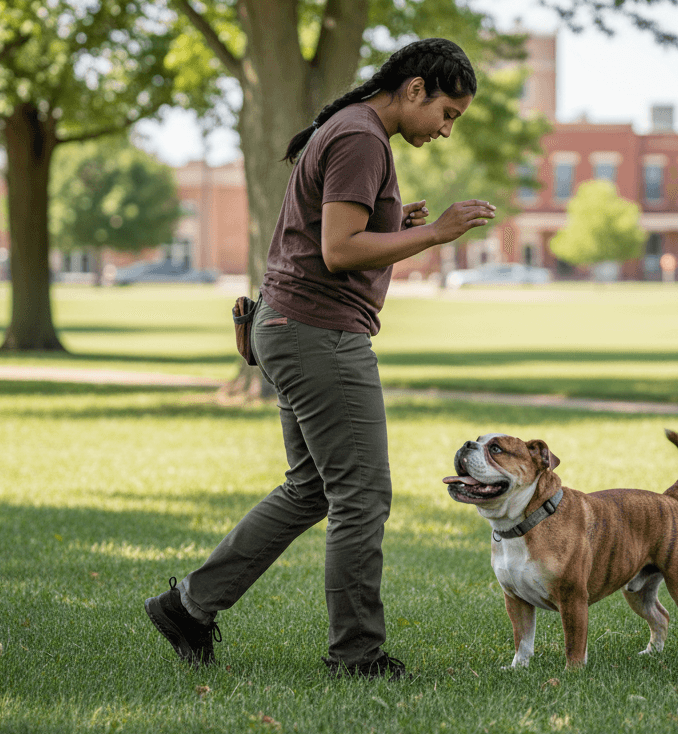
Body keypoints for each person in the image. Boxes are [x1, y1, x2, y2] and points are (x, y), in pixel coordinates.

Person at [144, 37, 496, 680]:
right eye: (447, 114)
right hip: (319, 335)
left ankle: (189, 607)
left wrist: (395, 219)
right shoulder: (362, 136)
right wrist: (435, 231)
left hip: (287, 326)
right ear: (415, 88)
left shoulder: (354, 130)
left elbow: (333, 233)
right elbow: (338, 250)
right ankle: (357, 656)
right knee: (362, 495)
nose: (446, 131)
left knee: (311, 489)